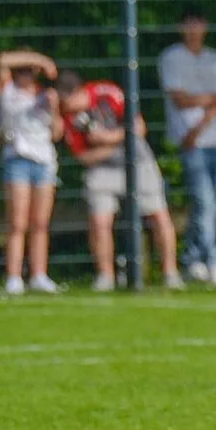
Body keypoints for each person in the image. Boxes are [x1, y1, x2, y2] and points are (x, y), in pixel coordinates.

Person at [57, 71, 183, 292]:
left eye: (68, 101)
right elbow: (84, 157)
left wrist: (107, 138)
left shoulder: (107, 94)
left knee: (159, 215)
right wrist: (118, 142)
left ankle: (170, 273)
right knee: (99, 220)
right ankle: (105, 276)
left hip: (138, 161)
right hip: (102, 170)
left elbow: (139, 128)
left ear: (78, 92)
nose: (67, 108)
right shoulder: (68, 116)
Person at [158, 7, 216, 287]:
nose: (194, 29)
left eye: (198, 23)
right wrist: (209, 101)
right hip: (188, 139)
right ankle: (213, 261)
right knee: (204, 202)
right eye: (188, 24)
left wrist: (201, 121)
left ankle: (193, 259)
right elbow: (179, 99)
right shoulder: (171, 58)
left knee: (212, 204)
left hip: (214, 136)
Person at [0, 49, 63, 295]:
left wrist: (54, 108)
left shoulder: (44, 96)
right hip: (18, 159)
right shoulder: (8, 92)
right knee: (17, 222)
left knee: (40, 223)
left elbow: (57, 133)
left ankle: (39, 274)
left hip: (44, 161)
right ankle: (14, 276)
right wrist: (41, 59)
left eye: (31, 71)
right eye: (22, 70)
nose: (26, 74)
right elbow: (2, 60)